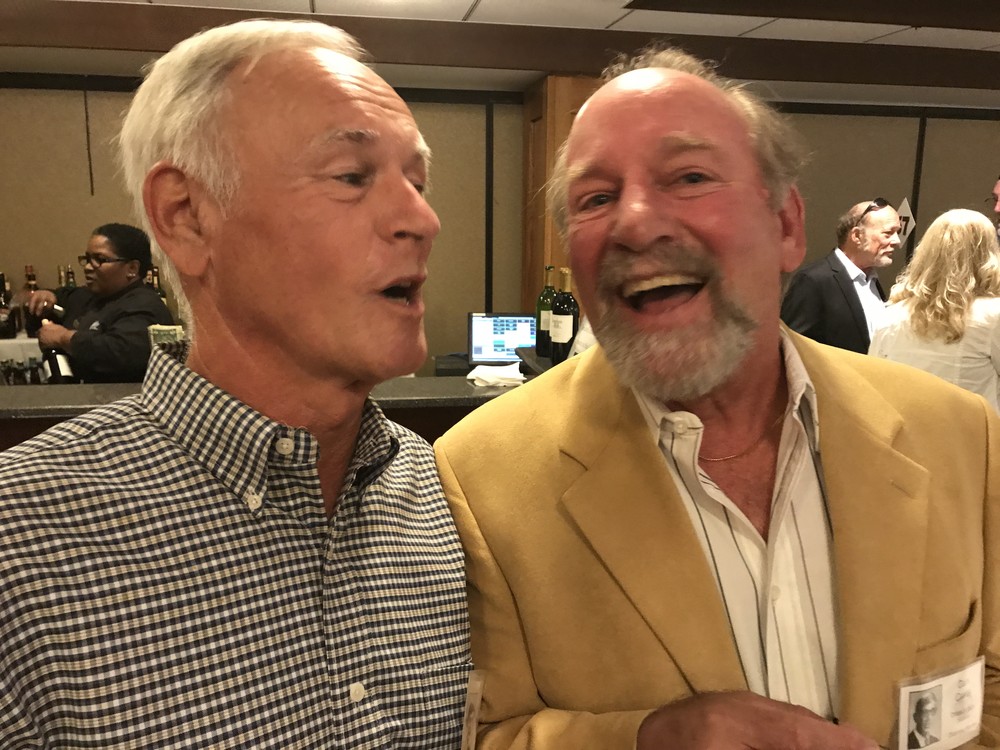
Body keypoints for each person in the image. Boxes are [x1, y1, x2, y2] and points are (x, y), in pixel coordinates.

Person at [435, 44, 1000, 750]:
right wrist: (645, 741)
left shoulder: (959, 435)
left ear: (786, 225)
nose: (635, 222)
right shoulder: (479, 478)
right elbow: (487, 734)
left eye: (690, 177)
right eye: (596, 199)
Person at [0, 19, 471, 746]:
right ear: (186, 217)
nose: (423, 218)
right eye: (352, 176)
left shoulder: (439, 496)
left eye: (417, 181)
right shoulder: (23, 540)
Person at [869, 208, 1000, 412]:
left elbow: (873, 385)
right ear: (988, 254)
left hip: (905, 430)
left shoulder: (891, 314)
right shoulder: (993, 316)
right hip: (969, 431)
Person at [25, 223, 173, 382]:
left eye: (100, 260)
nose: (88, 267)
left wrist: (63, 338)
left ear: (132, 268)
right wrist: (46, 297)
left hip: (120, 395)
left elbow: (117, 352)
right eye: (87, 259)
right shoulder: (87, 296)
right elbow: (55, 302)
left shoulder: (146, 305)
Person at [780, 198, 902, 352]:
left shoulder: (872, 282)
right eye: (888, 233)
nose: (897, 241)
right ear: (857, 236)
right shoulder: (814, 281)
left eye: (897, 233)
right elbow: (791, 348)